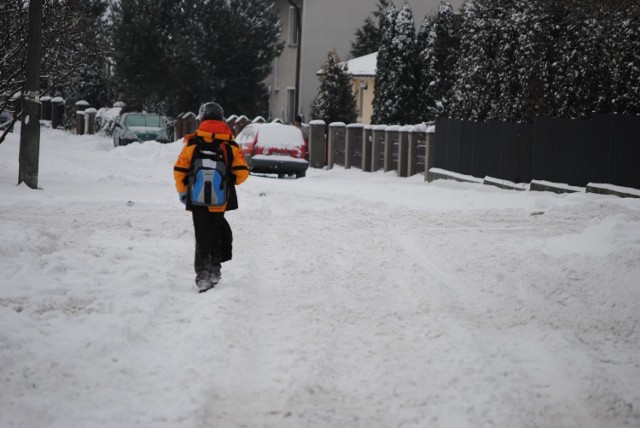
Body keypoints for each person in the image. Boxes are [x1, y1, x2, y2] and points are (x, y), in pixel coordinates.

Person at [173, 102, 249, 293]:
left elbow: (180, 169)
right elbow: (242, 173)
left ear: (202, 119)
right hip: (220, 198)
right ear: (222, 120)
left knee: (202, 236)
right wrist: (227, 181)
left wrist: (183, 191)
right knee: (215, 233)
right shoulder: (230, 145)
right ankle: (215, 271)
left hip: (197, 199)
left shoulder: (192, 142)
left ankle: (202, 276)